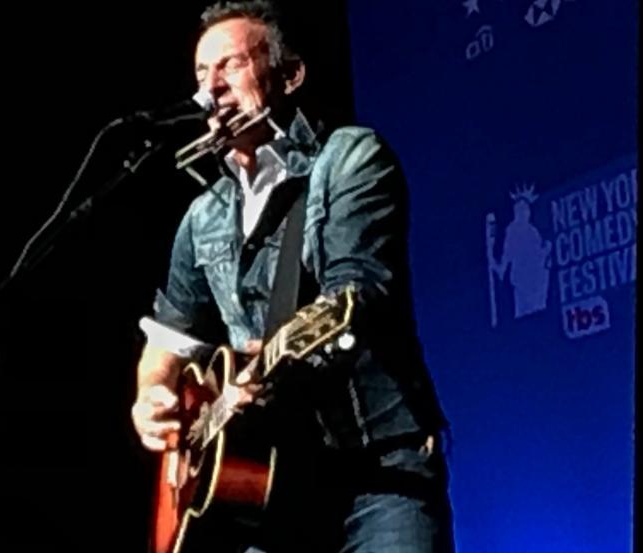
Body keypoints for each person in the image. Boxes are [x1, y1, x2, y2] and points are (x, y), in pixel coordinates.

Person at [130, 2, 455, 551]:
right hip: (272, 483)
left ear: (289, 75)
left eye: (229, 66)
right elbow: (167, 341)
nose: (211, 90)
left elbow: (357, 292)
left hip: (379, 470)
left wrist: (278, 360)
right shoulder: (203, 214)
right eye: (201, 76)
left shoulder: (350, 158)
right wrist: (152, 397)